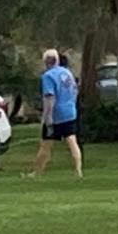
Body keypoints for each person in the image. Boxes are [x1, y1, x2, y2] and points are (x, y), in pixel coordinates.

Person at [29, 48, 83, 179]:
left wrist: (47, 118)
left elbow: (49, 98)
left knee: (46, 145)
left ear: (45, 62)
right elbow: (75, 91)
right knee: (72, 141)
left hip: (56, 115)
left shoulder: (47, 76)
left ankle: (37, 172)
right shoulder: (67, 73)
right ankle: (78, 170)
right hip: (70, 112)